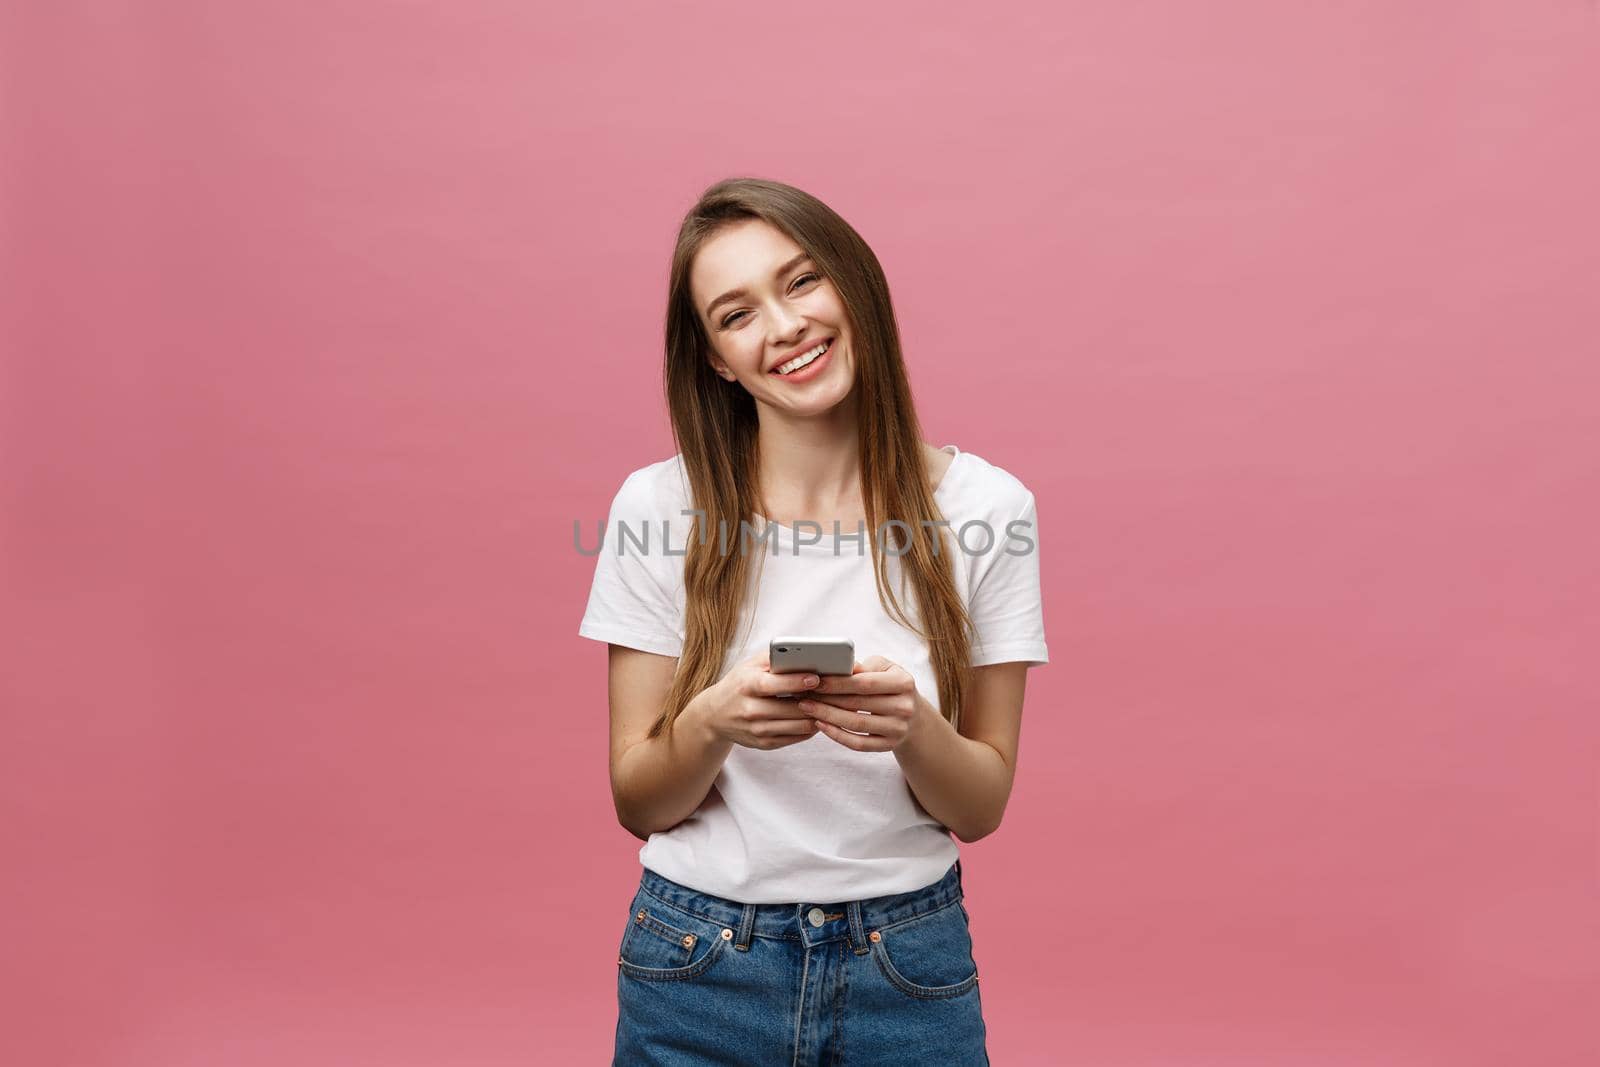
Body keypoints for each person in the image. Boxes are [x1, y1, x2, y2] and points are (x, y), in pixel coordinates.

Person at [578, 176, 1049, 1065]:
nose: (785, 326)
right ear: (716, 359)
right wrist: (713, 720)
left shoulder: (992, 508)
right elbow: (638, 800)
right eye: (737, 313)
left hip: (907, 965)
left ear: (855, 284)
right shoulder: (656, 507)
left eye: (800, 282)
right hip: (697, 964)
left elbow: (980, 804)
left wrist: (912, 727)